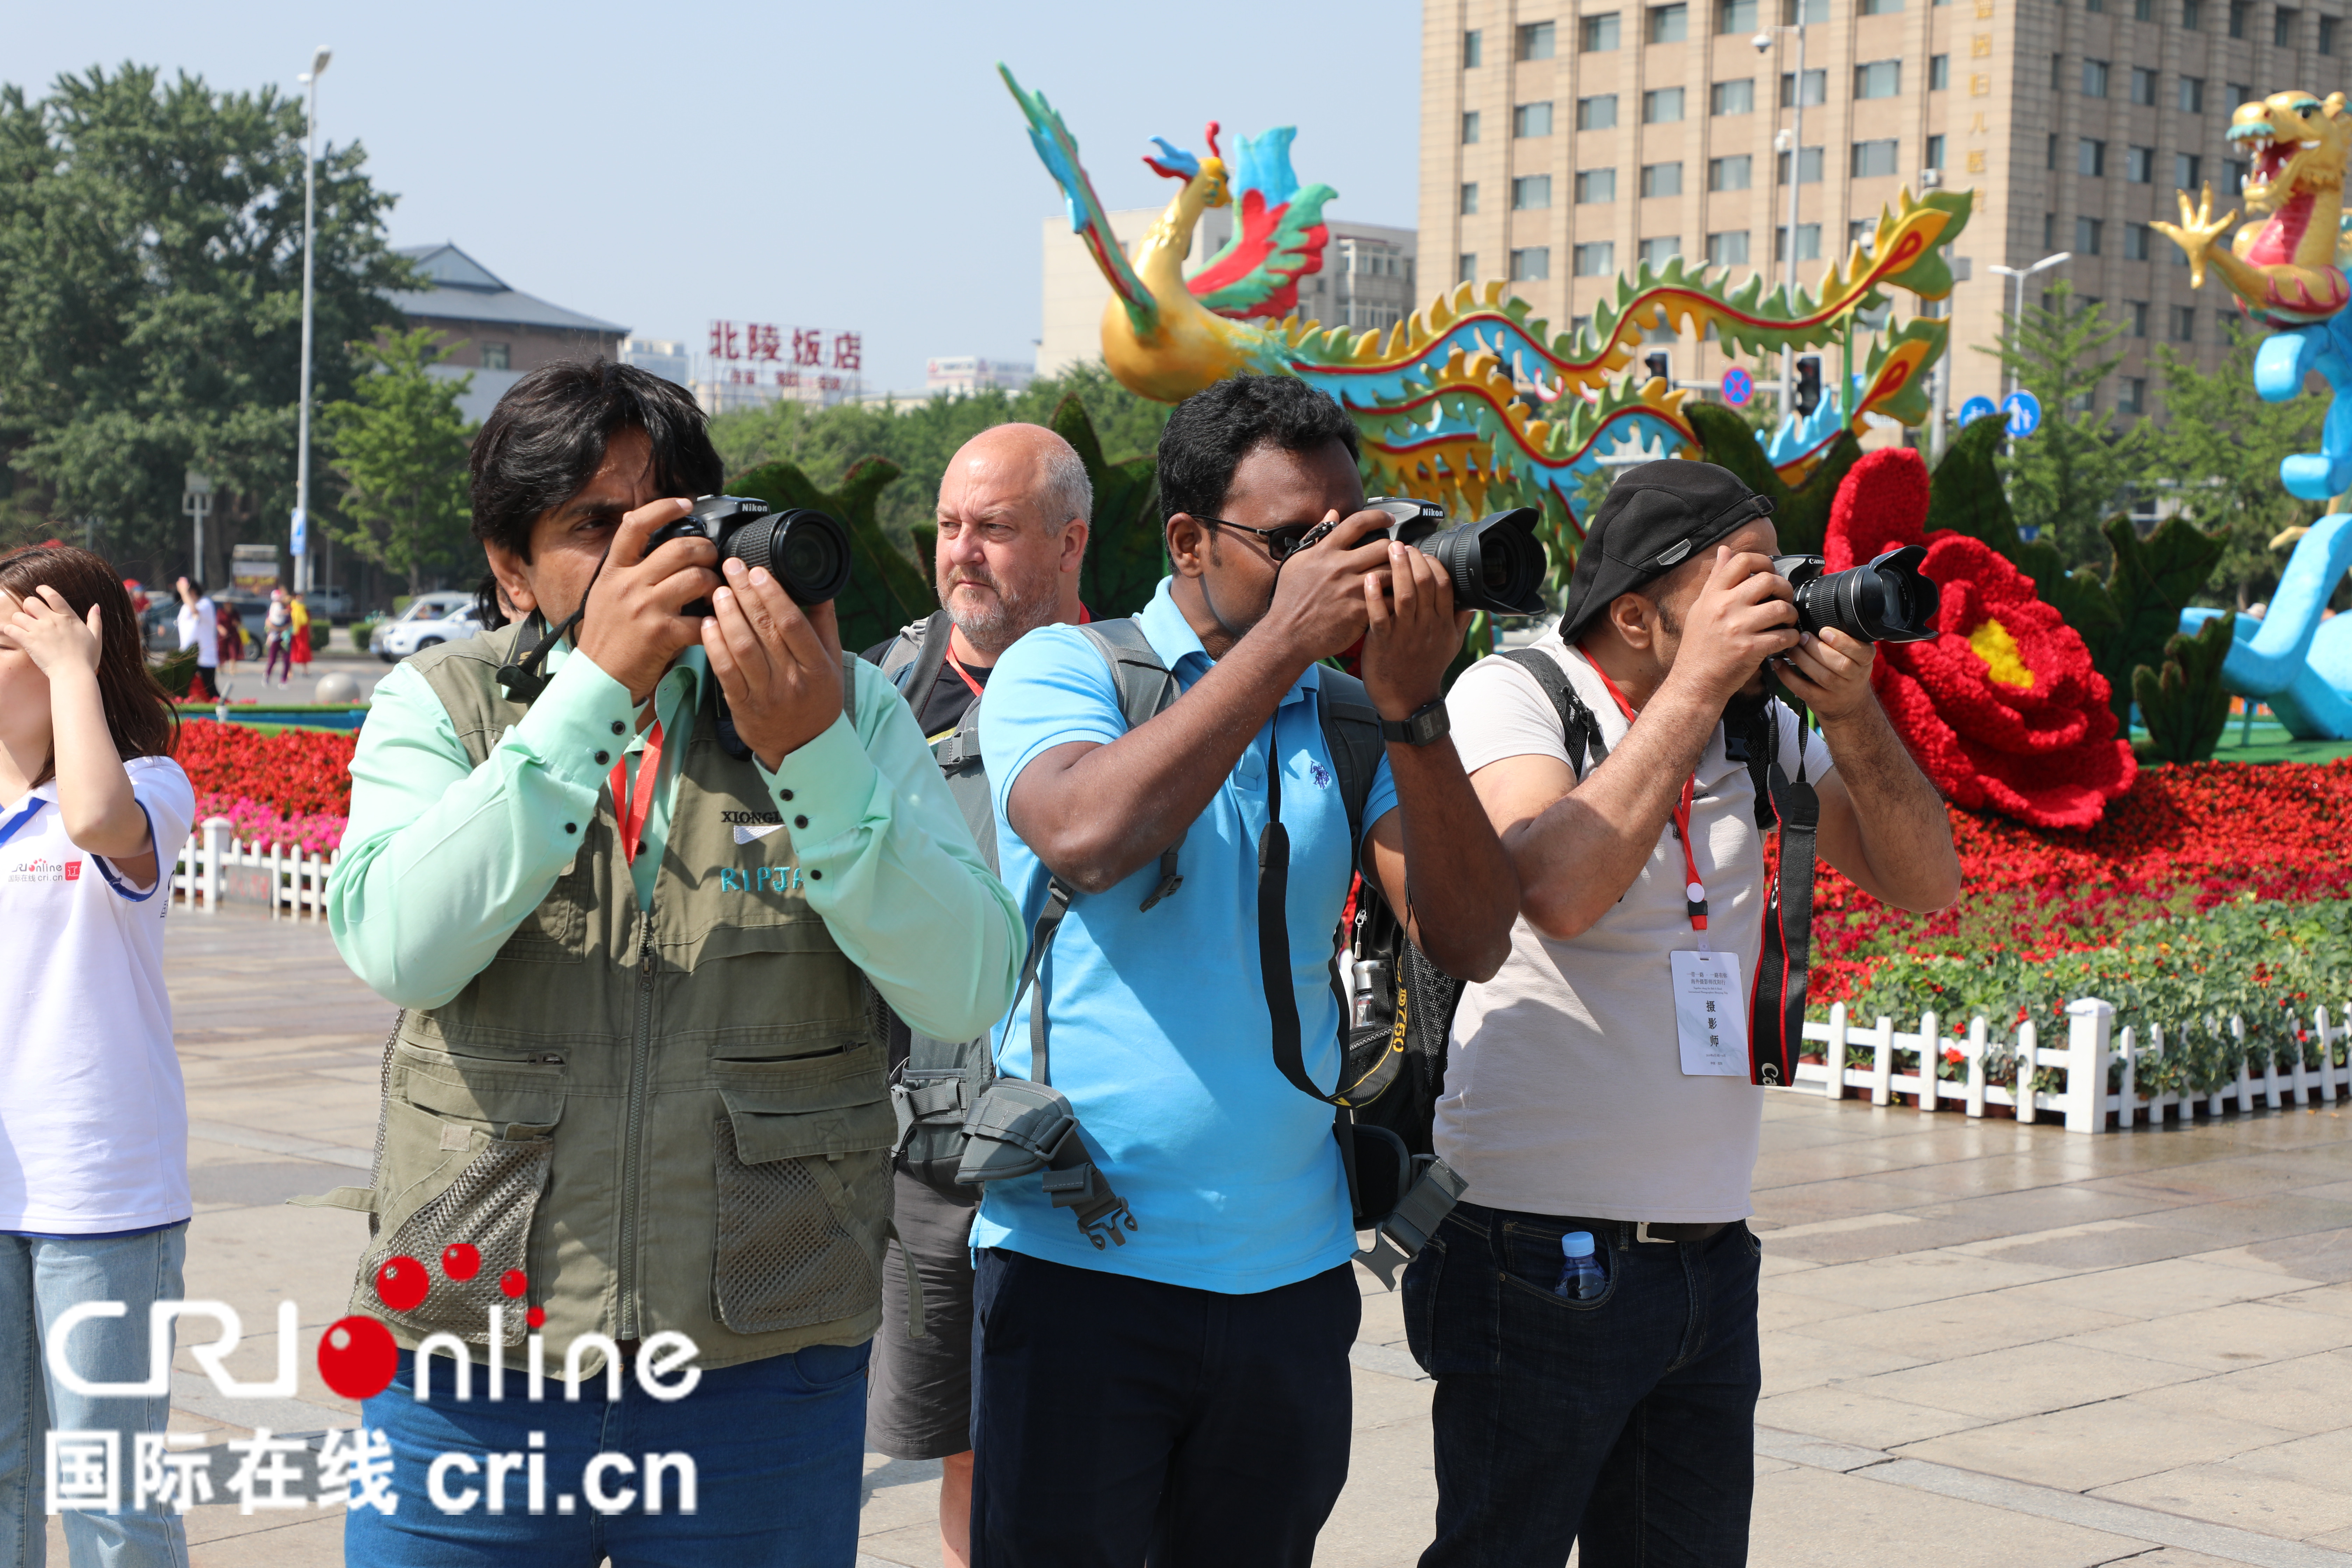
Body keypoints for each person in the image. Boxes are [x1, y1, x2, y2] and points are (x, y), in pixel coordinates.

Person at [318, 359, 1025, 1566]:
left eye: (673, 520)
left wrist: (810, 756)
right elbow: (401, 943)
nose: (646, 557)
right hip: (473, 1368)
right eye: (593, 526)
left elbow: (966, 987)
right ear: (507, 566)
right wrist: (590, 692)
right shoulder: (446, 702)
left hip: (761, 1376)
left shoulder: (841, 709)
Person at [968, 376, 1520, 1567]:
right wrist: (1283, 644)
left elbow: (1471, 938)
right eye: (1292, 544)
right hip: (1078, 1268)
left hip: (1291, 1280)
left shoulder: (1350, 717)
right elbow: (1090, 837)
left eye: (1350, 531)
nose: (1335, 569)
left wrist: (1416, 711)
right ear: (1187, 541)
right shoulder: (1067, 674)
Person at [1407, 460, 1961, 1567]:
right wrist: (1694, 690)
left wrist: (1848, 715)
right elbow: (1551, 890)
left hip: (1709, 1252)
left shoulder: (1758, 722)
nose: (1779, 602)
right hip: (1533, 1244)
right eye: (1743, 584)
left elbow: (1924, 879)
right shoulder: (1519, 690)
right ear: (1634, 612)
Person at [861, 422, 1092, 1568]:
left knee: (1103, 1433)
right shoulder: (886, 691)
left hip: (1095, 1137)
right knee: (963, 1441)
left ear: (1070, 540)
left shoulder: (1139, 690)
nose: (965, 553)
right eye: (951, 527)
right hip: (932, 1142)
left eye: (994, 529)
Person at [0, 546, 197, 1568]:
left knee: (109, 1490)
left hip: (100, 1196)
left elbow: (93, 817)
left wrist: (75, 668)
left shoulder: (153, 785)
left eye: (7, 639)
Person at [174, 576, 218, 700]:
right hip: (187, 655)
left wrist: (184, 590)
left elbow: (195, 611)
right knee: (184, 690)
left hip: (205, 657)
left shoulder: (205, 604)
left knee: (210, 691)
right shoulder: (184, 608)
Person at [262, 586, 295, 686]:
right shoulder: (274, 609)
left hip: (285, 638)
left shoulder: (287, 611)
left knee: (286, 660)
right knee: (272, 660)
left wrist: (285, 628)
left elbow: (291, 623)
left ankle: (284, 681)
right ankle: (267, 676)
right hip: (275, 636)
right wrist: (278, 629)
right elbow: (268, 623)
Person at [214, 597, 244, 684]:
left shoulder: (235, 613)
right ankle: (220, 667)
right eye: (227, 604)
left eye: (230, 604)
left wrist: (236, 623)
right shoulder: (220, 612)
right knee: (221, 651)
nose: (229, 606)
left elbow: (240, 623)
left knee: (233, 651)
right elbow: (218, 623)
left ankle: (232, 669)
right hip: (223, 635)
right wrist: (221, 629)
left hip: (233, 634)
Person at [287, 591, 314, 672]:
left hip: (303, 632)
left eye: (302, 597)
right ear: (295, 597)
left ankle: (305, 669)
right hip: (294, 631)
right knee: (293, 650)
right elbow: (287, 620)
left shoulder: (304, 608)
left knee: (304, 649)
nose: (301, 599)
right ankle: (290, 670)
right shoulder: (291, 607)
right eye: (299, 597)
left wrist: (310, 632)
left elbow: (308, 622)